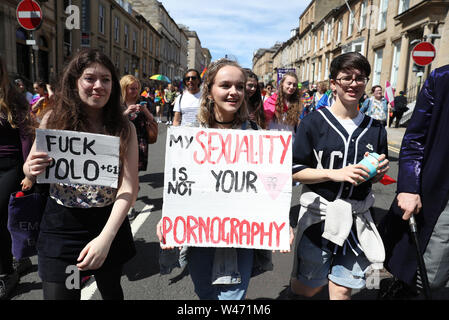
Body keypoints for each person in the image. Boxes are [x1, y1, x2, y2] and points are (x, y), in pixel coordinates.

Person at [23, 49, 138, 300]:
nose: (98, 86)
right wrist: (30, 169)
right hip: (61, 224)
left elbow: (129, 186)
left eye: (106, 80)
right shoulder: (53, 120)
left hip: (108, 222)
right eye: (90, 78)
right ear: (75, 82)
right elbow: (29, 166)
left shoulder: (124, 128)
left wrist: (105, 238)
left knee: (111, 292)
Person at [157, 58, 270, 300]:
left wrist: (278, 220)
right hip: (201, 236)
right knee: (205, 295)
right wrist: (168, 218)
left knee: (232, 298)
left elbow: (269, 187)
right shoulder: (189, 137)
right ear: (209, 90)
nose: (234, 92)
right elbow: (178, 185)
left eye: (239, 86)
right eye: (226, 85)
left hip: (241, 236)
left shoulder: (256, 136)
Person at [290, 52, 390, 300]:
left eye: (360, 78)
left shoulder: (376, 128)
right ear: (333, 83)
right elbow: (295, 170)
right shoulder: (313, 122)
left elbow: (374, 176)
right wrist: (335, 174)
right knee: (308, 288)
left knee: (344, 288)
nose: (353, 83)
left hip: (358, 217)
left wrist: (377, 174)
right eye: (346, 78)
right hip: (319, 218)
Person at [379, 64, 449, 298]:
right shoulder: (442, 78)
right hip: (442, 193)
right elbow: (415, 139)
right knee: (431, 277)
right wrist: (408, 187)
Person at [0, 57, 34, 300]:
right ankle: (16, 260)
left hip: (11, 165)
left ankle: (5, 273)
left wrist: (28, 173)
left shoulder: (13, 98)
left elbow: (25, 137)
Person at [120, 75, 157, 220]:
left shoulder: (144, 101)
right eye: (132, 88)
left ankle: (131, 207)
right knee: (122, 175)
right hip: (122, 142)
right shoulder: (118, 103)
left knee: (133, 176)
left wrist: (145, 110)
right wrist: (126, 112)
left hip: (139, 142)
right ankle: (126, 196)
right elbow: (113, 122)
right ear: (125, 88)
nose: (135, 91)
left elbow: (153, 121)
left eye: (137, 88)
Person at [263, 72, 302, 142]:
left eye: (294, 85)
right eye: (289, 83)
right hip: (273, 140)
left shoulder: (297, 102)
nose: (292, 87)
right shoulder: (271, 101)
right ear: (282, 84)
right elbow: (264, 123)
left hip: (290, 142)